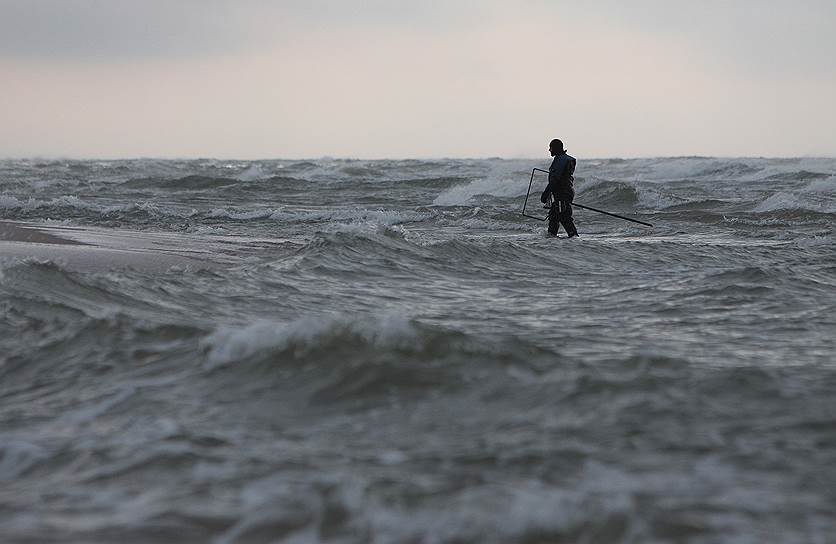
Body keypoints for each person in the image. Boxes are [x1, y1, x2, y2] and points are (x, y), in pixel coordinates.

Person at [540, 138, 579, 237]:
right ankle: (552, 242)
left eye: (551, 148)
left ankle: (575, 242)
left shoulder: (560, 161)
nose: (549, 150)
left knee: (565, 219)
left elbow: (555, 180)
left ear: (556, 148)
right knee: (554, 218)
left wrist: (546, 193)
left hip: (562, 195)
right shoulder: (564, 159)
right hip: (565, 194)